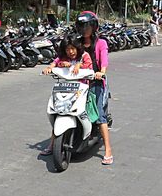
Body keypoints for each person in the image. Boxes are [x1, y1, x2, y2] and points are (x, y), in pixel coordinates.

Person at [40, 37, 94, 155]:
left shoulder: (84, 56)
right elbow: (56, 62)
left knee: (85, 111)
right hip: (66, 90)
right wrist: (50, 67)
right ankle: (52, 144)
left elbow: (89, 67)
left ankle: (90, 132)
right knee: (58, 111)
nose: (70, 52)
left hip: (81, 90)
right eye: (68, 49)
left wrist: (79, 66)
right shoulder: (64, 58)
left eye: (72, 49)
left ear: (77, 48)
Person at [76, 11, 114, 165]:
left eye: (87, 26)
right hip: (79, 82)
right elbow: (67, 56)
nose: (84, 29)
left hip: (96, 83)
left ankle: (108, 150)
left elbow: (104, 60)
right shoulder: (76, 43)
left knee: (99, 116)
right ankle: (53, 144)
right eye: (81, 26)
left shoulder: (101, 43)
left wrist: (102, 72)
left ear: (93, 27)